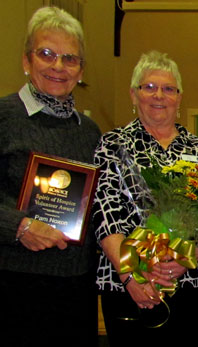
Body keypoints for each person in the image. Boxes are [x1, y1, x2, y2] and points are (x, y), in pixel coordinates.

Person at [93, 50, 198, 346]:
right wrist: (133, 274)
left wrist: (188, 257)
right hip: (128, 286)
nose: (159, 95)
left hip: (188, 283)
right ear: (134, 95)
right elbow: (104, 214)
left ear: (179, 97)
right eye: (149, 87)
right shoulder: (112, 144)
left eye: (168, 88)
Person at [0, 6, 101, 346]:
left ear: (81, 70)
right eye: (47, 54)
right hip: (14, 281)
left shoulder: (89, 131)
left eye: (70, 59)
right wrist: (20, 227)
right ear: (26, 61)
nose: (58, 66)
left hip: (76, 285)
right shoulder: (4, 116)